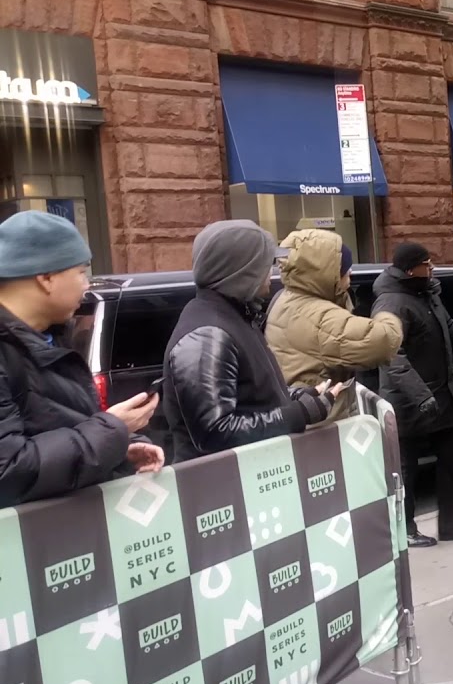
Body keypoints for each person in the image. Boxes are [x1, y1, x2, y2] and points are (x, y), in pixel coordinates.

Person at [0, 211, 163, 507]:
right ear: (46, 278)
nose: (87, 285)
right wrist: (114, 429)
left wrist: (121, 448)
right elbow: (8, 470)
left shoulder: (51, 336)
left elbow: (62, 431)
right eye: (80, 272)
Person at [164, 220, 342, 464]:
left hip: (250, 482)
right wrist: (297, 414)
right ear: (242, 272)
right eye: (264, 265)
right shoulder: (207, 334)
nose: (272, 273)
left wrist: (298, 397)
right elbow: (215, 433)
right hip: (225, 491)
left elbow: (251, 394)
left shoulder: (235, 316)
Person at [374, 242, 453, 547]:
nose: (431, 269)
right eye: (426, 264)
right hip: (408, 402)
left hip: (440, 398)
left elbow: (452, 329)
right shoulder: (391, 303)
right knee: (406, 473)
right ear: (410, 269)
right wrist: (420, 395)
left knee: (452, 463)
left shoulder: (427, 294)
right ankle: (405, 529)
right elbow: (393, 356)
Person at [266, 229, 402, 419]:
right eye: (345, 268)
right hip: (322, 426)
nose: (351, 272)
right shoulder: (319, 317)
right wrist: (386, 314)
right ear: (328, 273)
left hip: (304, 414)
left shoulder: (287, 298)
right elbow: (383, 341)